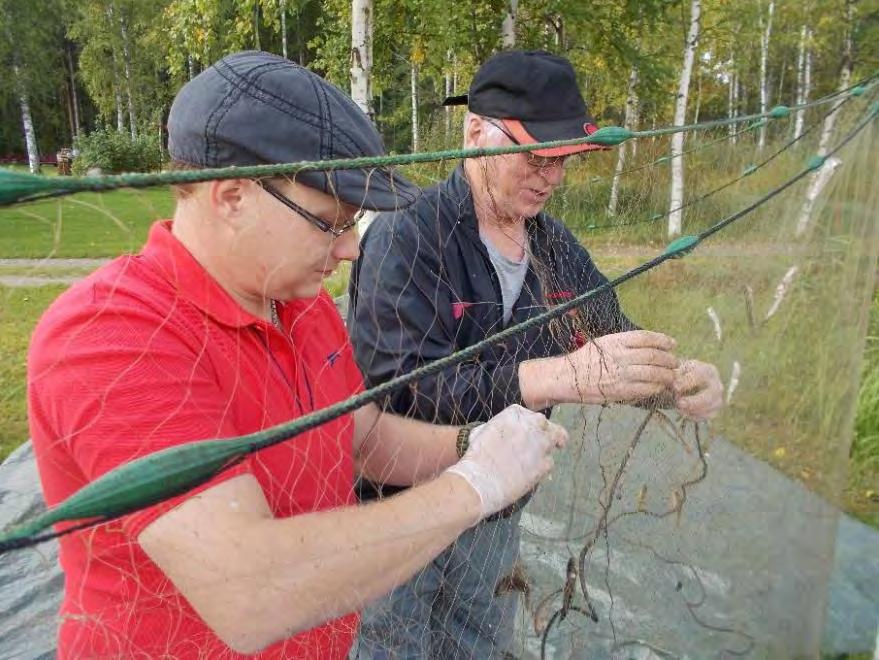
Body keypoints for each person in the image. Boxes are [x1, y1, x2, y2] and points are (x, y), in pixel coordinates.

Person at [26, 51, 570, 659]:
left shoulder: (301, 306)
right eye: (328, 223)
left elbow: (358, 436)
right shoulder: (112, 336)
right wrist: (475, 485)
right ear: (230, 195)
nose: (348, 251)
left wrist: (472, 445)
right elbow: (248, 590)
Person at [348, 49, 724, 658]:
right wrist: (556, 377)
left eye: (563, 160)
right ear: (475, 132)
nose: (549, 177)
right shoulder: (407, 235)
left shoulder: (553, 245)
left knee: (479, 644)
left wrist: (674, 383)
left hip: (495, 515)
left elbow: (610, 335)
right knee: (392, 646)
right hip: (400, 513)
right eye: (533, 156)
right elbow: (408, 387)